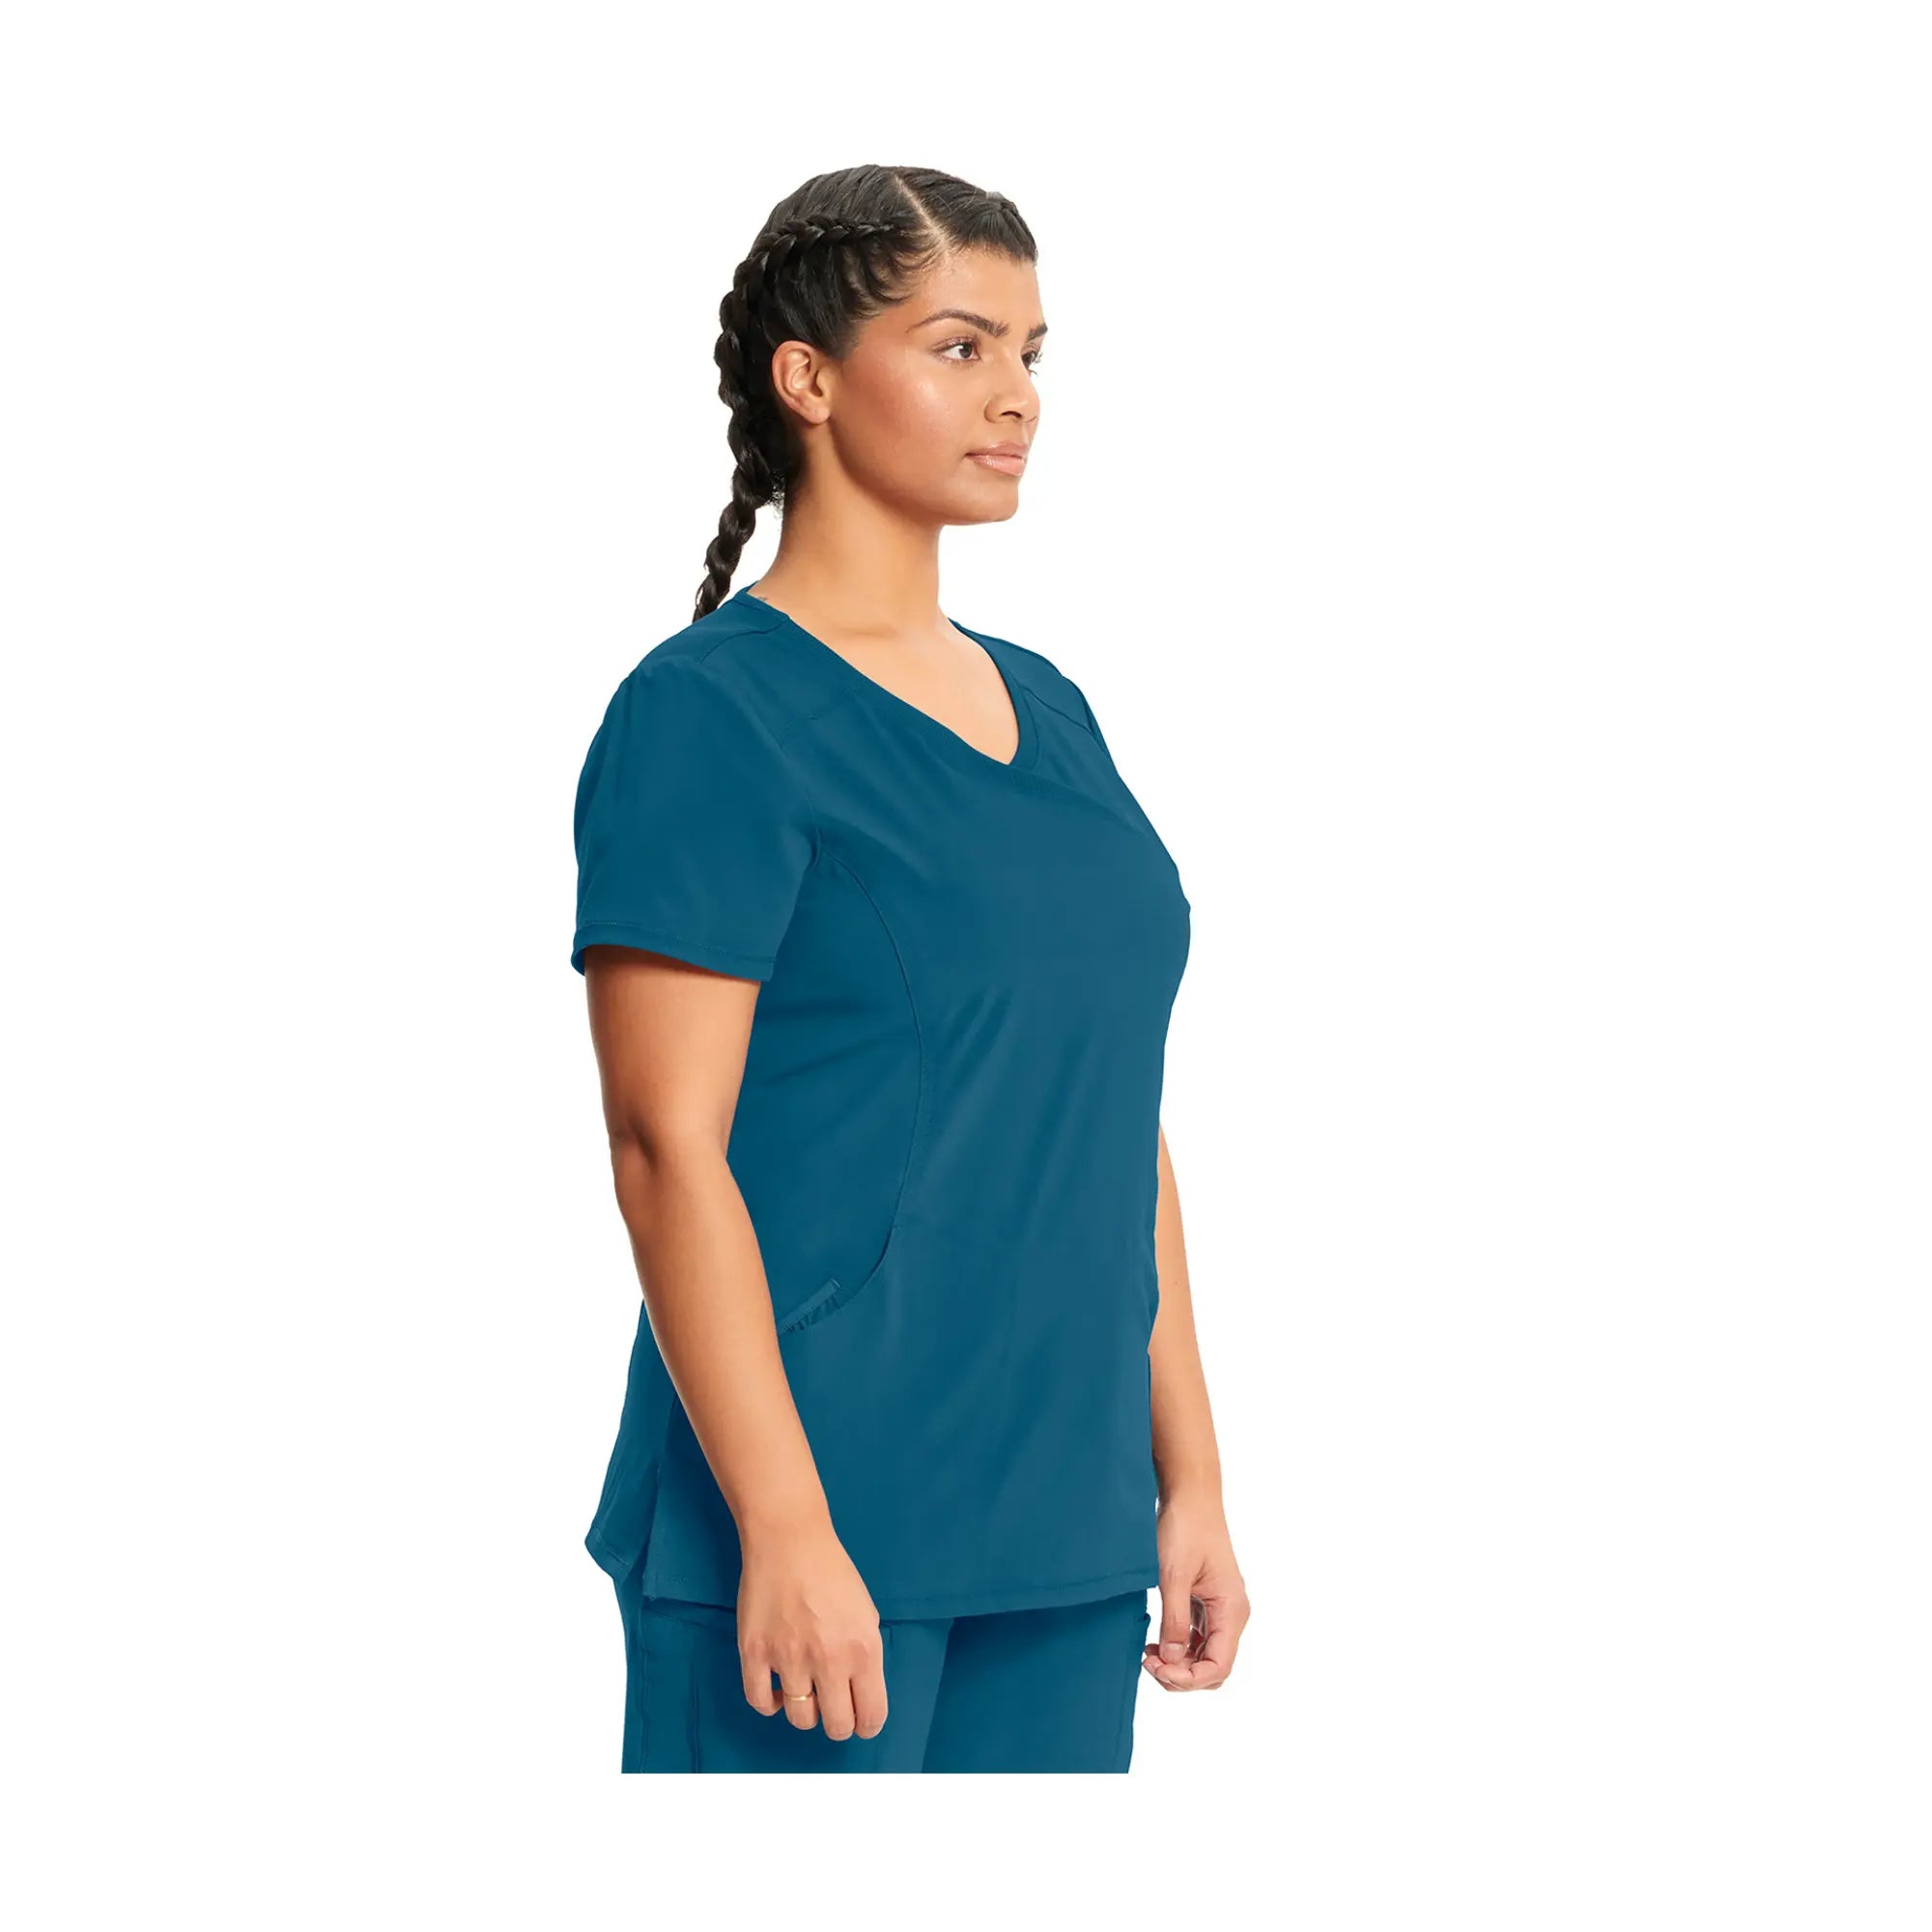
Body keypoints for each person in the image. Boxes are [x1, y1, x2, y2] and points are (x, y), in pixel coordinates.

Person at [571, 164, 1249, 1773]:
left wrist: (1191, 1476)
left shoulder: (1051, 707)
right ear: (808, 380)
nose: (1017, 396)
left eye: (1030, 351)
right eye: (959, 347)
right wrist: (784, 1527)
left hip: (1067, 1529)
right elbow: (665, 1146)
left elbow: (1109, 1110)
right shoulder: (705, 715)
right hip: (820, 1527)